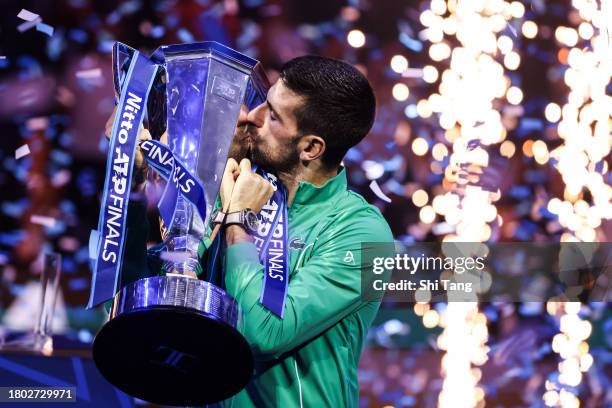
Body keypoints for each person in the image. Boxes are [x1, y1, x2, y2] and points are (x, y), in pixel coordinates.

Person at [109, 55, 393, 407]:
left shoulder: (363, 234)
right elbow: (139, 297)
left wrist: (239, 222)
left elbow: (262, 335)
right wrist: (132, 183)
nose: (251, 117)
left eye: (272, 115)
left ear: (311, 148)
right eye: (264, 103)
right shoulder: (229, 187)